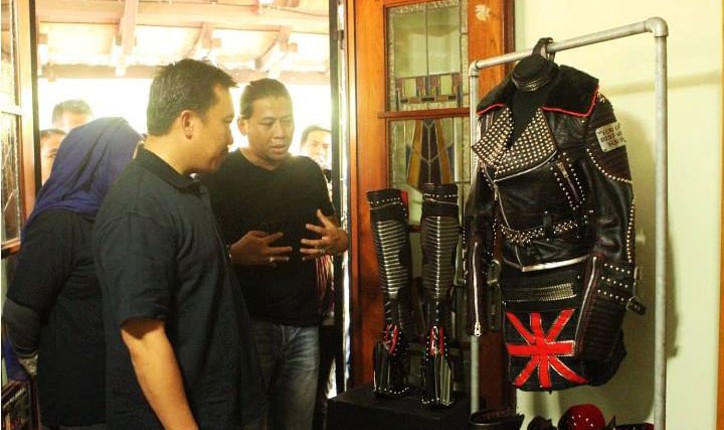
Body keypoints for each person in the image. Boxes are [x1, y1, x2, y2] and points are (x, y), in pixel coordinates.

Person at [92, 59, 265, 429]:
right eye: (225, 122)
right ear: (188, 122)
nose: (231, 138)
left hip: (220, 408)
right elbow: (144, 339)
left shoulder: (183, 189)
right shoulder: (139, 208)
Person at [201, 78, 349, 430]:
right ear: (243, 125)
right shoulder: (218, 175)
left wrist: (339, 240)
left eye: (287, 121)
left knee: (298, 423)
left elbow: (333, 232)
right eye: (268, 123)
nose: (281, 133)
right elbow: (195, 254)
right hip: (247, 324)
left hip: (304, 324)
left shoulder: (308, 171)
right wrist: (233, 254)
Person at [2, 117, 141, 430]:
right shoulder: (59, 224)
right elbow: (21, 312)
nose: (135, 173)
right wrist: (39, 364)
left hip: (116, 393)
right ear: (99, 163)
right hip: (80, 400)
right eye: (128, 159)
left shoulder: (111, 217)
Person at [298, 125, 338, 430]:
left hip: (328, 306)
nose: (321, 151)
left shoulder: (337, 187)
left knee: (321, 388)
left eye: (327, 146)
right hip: (297, 307)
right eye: (315, 144)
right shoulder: (291, 186)